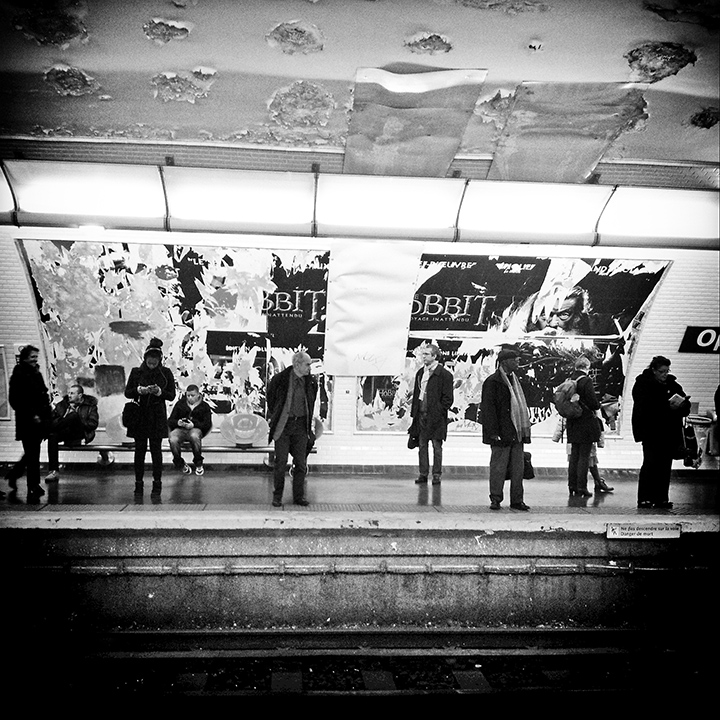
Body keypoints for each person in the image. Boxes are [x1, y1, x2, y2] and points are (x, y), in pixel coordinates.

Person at [631, 355, 691, 509]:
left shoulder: (673, 384)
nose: (665, 374)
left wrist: (683, 405)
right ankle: (644, 498)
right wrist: (667, 407)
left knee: (665, 465)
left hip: (669, 432)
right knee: (650, 463)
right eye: (662, 371)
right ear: (654, 370)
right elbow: (645, 407)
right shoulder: (643, 384)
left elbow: (685, 404)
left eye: (667, 371)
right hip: (651, 431)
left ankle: (661, 498)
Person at [480, 347, 531, 511]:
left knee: (518, 469)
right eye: (514, 359)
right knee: (498, 468)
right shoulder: (493, 381)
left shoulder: (516, 380)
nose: (518, 361)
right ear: (504, 362)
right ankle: (495, 498)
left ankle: (517, 500)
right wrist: (493, 433)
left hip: (516, 432)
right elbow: (488, 410)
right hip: (501, 433)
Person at [124, 337, 176, 495]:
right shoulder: (136, 372)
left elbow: (172, 395)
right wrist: (140, 390)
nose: (152, 362)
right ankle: (138, 483)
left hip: (157, 415)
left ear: (159, 360)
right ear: (145, 358)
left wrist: (159, 392)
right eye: (149, 359)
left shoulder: (166, 373)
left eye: (155, 360)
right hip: (139, 415)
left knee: (156, 450)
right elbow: (128, 393)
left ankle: (157, 483)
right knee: (139, 450)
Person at [266, 351, 318, 507]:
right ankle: (277, 496)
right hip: (284, 426)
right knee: (280, 463)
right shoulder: (280, 379)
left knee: (301, 464)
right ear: (297, 364)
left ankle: (298, 497)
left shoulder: (311, 382)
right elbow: (271, 400)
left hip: (301, 426)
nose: (310, 368)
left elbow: (311, 402)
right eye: (307, 364)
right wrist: (277, 416)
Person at [6, 344, 52, 499]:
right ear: (25, 358)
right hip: (28, 420)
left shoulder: (35, 372)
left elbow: (42, 393)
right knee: (33, 454)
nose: (35, 359)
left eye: (36, 357)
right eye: (32, 357)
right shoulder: (20, 375)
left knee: (32, 452)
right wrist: (32, 414)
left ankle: (14, 474)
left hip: (39, 419)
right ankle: (33, 485)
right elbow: (16, 400)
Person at [409, 344, 454, 485]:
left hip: (436, 417)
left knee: (436, 446)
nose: (424, 357)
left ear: (435, 356)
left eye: (427, 354)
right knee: (422, 445)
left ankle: (436, 474)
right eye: (423, 354)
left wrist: (438, 411)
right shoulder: (420, 373)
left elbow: (448, 398)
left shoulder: (444, 375)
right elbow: (418, 394)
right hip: (421, 414)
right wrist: (415, 413)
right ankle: (423, 473)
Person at [44, 383, 102, 482]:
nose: (69, 395)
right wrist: (64, 418)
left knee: (73, 415)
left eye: (72, 393)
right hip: (65, 431)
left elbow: (93, 424)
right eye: (69, 393)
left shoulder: (90, 406)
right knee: (52, 435)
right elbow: (52, 420)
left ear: (80, 395)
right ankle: (54, 471)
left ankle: (45, 433)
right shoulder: (62, 405)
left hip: (80, 432)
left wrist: (76, 419)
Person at [565, 356, 602, 498]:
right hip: (585, 423)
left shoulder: (569, 380)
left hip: (572, 422)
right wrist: (597, 405)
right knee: (584, 456)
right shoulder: (586, 381)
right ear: (587, 367)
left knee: (574, 456)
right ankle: (582, 487)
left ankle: (572, 485)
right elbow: (593, 403)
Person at [167, 384, 213, 475]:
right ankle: (179, 463)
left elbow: (207, 424)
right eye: (188, 395)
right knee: (172, 438)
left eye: (192, 395)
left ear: (198, 395)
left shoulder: (205, 406)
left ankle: (198, 463)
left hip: (196, 429)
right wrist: (178, 423)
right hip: (181, 429)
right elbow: (171, 420)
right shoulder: (180, 404)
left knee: (194, 436)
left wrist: (194, 424)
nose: (190, 398)